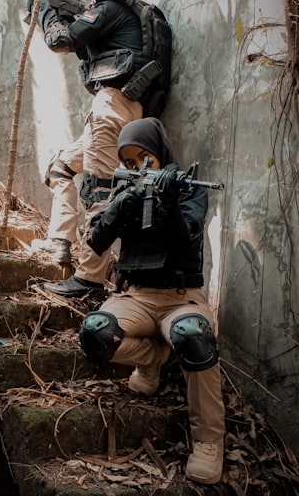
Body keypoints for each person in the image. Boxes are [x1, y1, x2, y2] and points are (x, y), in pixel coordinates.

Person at [79, 117, 225, 484]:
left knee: (194, 336)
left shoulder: (187, 187)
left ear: (160, 153)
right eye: (129, 161)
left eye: (145, 158)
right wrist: (121, 204)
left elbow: (187, 237)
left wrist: (168, 201)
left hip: (181, 298)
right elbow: (95, 241)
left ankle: (209, 441)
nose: (138, 167)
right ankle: (154, 359)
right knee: (96, 333)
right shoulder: (123, 190)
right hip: (135, 296)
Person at [28, 0, 150, 296]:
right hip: (129, 111)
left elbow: (60, 41)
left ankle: (89, 280)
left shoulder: (112, 7)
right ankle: (60, 241)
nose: (92, 2)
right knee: (60, 167)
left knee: (98, 192)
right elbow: (85, 43)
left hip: (110, 108)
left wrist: (45, 11)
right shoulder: (132, 21)